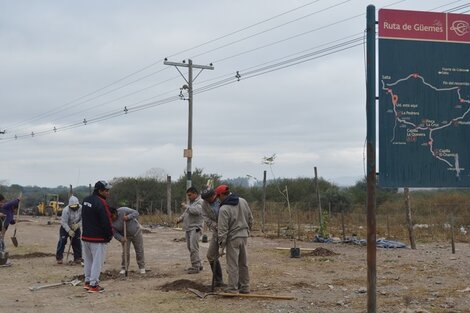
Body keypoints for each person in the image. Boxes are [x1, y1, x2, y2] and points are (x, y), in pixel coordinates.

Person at [215, 184, 253, 294]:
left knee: (232, 264)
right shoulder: (243, 201)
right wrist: (247, 231)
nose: (218, 199)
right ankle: (245, 287)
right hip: (244, 236)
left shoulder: (224, 208)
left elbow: (222, 230)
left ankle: (232, 288)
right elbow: (250, 218)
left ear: (222, 194)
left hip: (233, 238)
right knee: (243, 263)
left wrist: (221, 246)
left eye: (218, 196)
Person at [81, 180, 114, 293]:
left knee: (88, 261)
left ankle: (87, 281)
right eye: (106, 190)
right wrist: (110, 234)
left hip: (85, 236)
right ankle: (94, 285)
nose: (108, 193)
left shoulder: (86, 200)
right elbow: (106, 220)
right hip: (98, 238)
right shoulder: (101, 202)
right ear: (100, 191)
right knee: (97, 262)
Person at [176, 186, 204, 274]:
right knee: (190, 247)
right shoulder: (192, 203)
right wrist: (180, 219)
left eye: (190, 195)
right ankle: (198, 264)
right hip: (188, 228)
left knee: (193, 247)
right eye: (188, 195)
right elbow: (186, 213)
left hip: (196, 228)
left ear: (195, 194)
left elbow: (197, 211)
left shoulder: (200, 202)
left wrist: (186, 206)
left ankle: (195, 267)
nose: (188, 197)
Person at [110, 206, 146, 274]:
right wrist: (121, 238)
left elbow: (136, 213)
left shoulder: (123, 210)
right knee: (125, 252)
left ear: (115, 213)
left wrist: (128, 217)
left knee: (139, 250)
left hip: (136, 232)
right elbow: (114, 232)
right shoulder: (110, 221)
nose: (111, 218)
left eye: (112, 216)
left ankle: (142, 267)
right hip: (125, 237)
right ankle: (124, 267)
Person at [200, 187, 224, 287]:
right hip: (216, 232)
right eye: (205, 199)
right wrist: (215, 225)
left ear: (213, 195)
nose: (206, 201)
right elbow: (205, 217)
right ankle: (218, 280)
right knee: (210, 255)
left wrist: (223, 225)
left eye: (208, 198)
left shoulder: (222, 200)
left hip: (228, 232)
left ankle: (235, 283)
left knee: (233, 258)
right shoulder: (204, 204)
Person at [55, 195, 82, 264]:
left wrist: (78, 225)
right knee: (62, 241)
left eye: (75, 207)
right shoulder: (65, 210)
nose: (74, 208)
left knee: (77, 242)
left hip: (76, 227)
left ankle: (78, 257)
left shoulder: (82, 208)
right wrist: (69, 230)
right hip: (65, 227)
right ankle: (59, 257)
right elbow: (63, 222)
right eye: (72, 207)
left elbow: (84, 219)